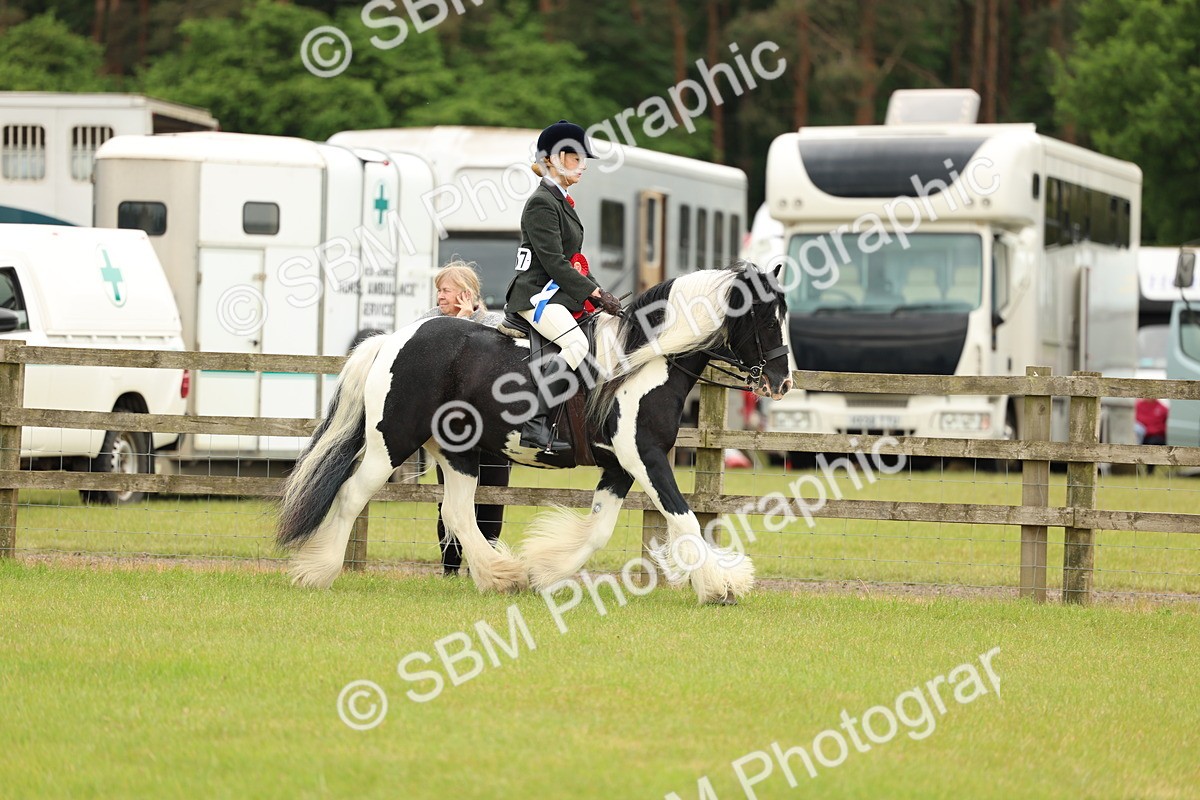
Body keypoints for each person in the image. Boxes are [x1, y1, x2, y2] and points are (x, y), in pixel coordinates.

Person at [504, 119, 622, 452]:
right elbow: (554, 263)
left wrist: (601, 293)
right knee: (577, 346)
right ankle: (534, 421)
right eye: (575, 158)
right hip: (534, 296)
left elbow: (574, 261)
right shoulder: (542, 203)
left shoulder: (561, 200)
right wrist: (593, 294)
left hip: (557, 294)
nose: (582, 166)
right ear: (554, 160)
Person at [419, 260, 510, 574]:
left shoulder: (495, 321)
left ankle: (483, 564)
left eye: (445, 290)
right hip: (452, 430)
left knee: (492, 498)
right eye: (439, 290)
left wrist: (467, 324)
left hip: (493, 430)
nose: (440, 296)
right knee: (451, 498)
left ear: (466, 293)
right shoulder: (429, 321)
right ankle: (449, 568)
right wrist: (456, 325)